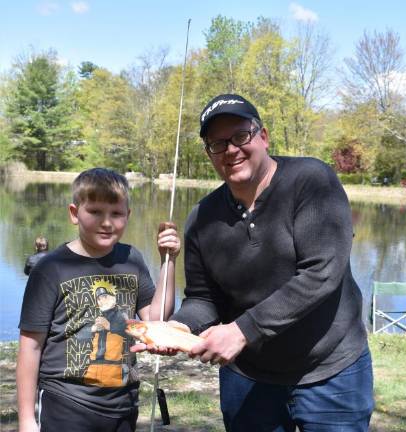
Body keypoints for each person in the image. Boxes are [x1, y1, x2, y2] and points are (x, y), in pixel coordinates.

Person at [169, 94, 374, 431]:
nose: (231, 150)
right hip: (248, 376)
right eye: (217, 144)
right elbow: (204, 299)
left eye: (240, 136)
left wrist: (241, 330)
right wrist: (180, 328)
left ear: (262, 136)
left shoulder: (312, 180)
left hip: (331, 370)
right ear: (209, 154)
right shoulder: (202, 219)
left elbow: (322, 273)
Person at [16, 168, 180, 432]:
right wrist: (26, 419)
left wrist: (167, 261)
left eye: (116, 214)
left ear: (128, 215)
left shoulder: (132, 259)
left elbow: (156, 318)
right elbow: (30, 347)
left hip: (123, 404)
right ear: (74, 213)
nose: (106, 223)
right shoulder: (50, 268)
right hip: (65, 405)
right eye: (95, 212)